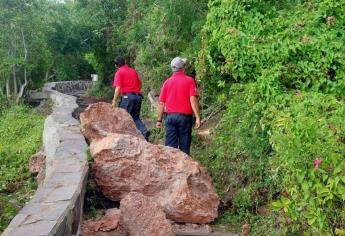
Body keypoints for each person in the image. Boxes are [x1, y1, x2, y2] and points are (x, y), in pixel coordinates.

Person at [156, 57, 201, 155]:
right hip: (184, 118)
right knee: (184, 147)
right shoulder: (189, 81)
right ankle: (185, 168)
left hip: (170, 117)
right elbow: (192, 99)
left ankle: (171, 168)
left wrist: (159, 120)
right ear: (183, 68)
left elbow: (162, 103)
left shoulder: (167, 82)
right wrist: (197, 117)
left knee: (170, 148)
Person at [112, 56, 150, 140]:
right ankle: (144, 131)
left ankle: (123, 138)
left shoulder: (119, 72)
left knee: (123, 117)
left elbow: (118, 87)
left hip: (127, 97)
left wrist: (114, 100)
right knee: (135, 117)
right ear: (125, 62)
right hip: (137, 97)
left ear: (116, 65)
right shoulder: (133, 71)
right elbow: (140, 84)